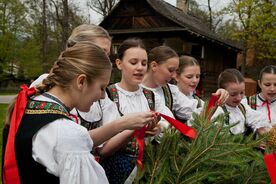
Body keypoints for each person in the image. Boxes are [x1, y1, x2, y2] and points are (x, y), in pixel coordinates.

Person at [2, 42, 157, 184]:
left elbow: (76, 141)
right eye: (102, 87)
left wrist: (123, 124)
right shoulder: (65, 132)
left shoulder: (35, 104)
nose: (102, 96)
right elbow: (72, 143)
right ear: (81, 81)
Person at [99, 38, 174, 184]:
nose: (140, 67)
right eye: (133, 62)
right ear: (119, 64)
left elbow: (170, 123)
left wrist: (158, 128)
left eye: (144, 63)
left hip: (148, 165)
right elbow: (103, 144)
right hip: (116, 166)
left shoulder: (151, 96)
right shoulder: (108, 95)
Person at [30, 24, 117, 129]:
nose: (106, 60)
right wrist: (120, 125)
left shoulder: (97, 90)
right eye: (101, 52)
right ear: (78, 49)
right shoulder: (47, 84)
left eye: (107, 55)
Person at [142, 46, 229, 122]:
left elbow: (195, 109)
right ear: (154, 66)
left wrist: (216, 100)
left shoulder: (171, 92)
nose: (173, 76)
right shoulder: (133, 89)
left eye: (175, 71)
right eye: (170, 70)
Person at [211, 68, 271, 135]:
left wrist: (266, 132)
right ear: (223, 92)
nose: (239, 97)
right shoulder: (218, 111)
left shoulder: (242, 107)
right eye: (233, 94)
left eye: (242, 93)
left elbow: (256, 119)